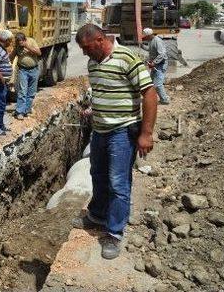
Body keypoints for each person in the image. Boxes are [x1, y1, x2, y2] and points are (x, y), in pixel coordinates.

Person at [73, 24, 157, 260]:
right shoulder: (94, 61)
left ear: (100, 40)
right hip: (99, 131)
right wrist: (93, 109)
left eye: (87, 48)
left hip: (122, 132)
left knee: (118, 183)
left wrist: (146, 133)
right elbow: (103, 90)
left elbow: (150, 94)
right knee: (97, 174)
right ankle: (97, 214)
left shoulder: (127, 58)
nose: (84, 53)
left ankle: (114, 233)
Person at [13, 32, 42, 120]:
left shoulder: (31, 41)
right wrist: (14, 50)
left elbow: (39, 53)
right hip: (23, 70)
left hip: (34, 70)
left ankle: (26, 110)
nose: (20, 45)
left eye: (21, 43)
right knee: (22, 91)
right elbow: (11, 58)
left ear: (24, 40)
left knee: (32, 92)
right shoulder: (17, 46)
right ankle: (20, 112)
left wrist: (27, 47)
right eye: (18, 43)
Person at [142, 27, 170, 104]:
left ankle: (165, 100)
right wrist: (142, 46)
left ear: (149, 35)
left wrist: (154, 63)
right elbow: (150, 49)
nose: (145, 38)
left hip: (161, 64)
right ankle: (151, 97)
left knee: (158, 84)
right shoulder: (151, 41)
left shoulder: (157, 40)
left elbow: (162, 54)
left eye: (145, 36)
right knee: (151, 82)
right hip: (155, 64)